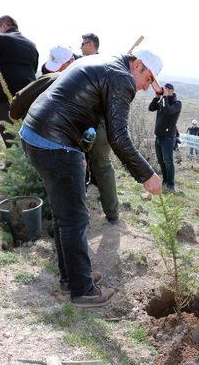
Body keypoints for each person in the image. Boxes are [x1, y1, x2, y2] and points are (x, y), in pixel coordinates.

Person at [20, 50, 163, 307]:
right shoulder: (122, 79)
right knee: (75, 218)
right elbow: (118, 137)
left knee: (66, 216)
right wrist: (147, 175)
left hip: (37, 134)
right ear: (137, 65)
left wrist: (80, 151)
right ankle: (82, 290)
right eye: (148, 78)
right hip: (54, 141)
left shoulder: (100, 61)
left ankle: (72, 278)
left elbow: (82, 108)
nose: (145, 87)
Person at [0, 15, 38, 147]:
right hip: (29, 95)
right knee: (26, 132)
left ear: (4, 26)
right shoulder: (31, 45)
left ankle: (12, 165)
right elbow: (34, 68)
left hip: (6, 95)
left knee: (8, 133)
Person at [78, 33, 120, 223]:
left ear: (92, 44)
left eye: (83, 43)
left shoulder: (101, 66)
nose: (80, 46)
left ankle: (112, 213)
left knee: (101, 166)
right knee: (84, 164)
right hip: (81, 123)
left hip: (98, 124)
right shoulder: (81, 64)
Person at [148, 82, 182, 192]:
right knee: (161, 161)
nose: (165, 91)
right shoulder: (162, 100)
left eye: (167, 90)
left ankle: (171, 185)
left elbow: (168, 111)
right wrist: (157, 96)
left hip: (168, 138)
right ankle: (165, 182)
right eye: (165, 89)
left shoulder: (177, 103)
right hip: (158, 137)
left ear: (172, 90)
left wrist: (166, 97)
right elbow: (151, 108)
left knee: (168, 162)